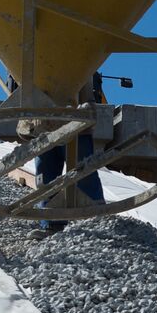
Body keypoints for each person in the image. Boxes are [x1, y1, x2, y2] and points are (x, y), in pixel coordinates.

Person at [32, 73, 106, 238]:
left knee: (82, 171)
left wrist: (89, 106)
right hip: (45, 125)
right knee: (46, 178)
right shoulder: (38, 58)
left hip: (75, 123)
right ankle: (51, 223)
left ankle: (95, 218)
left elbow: (85, 84)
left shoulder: (76, 54)